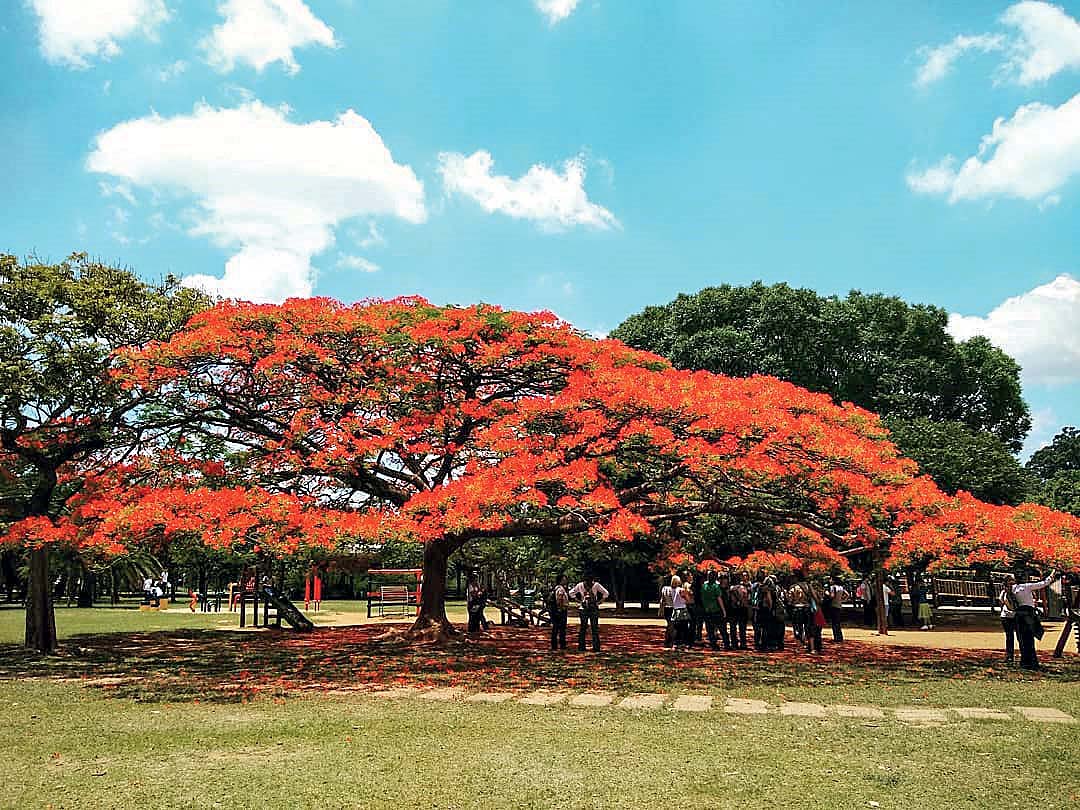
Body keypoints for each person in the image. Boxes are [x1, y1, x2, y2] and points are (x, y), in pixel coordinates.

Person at [1007, 570, 1059, 671]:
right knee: (1029, 639)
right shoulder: (1027, 586)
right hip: (1028, 614)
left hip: (1019, 615)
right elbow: (1044, 583)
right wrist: (1052, 573)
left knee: (1022, 639)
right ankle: (1032, 663)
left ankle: (1025, 662)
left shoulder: (1013, 588)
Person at [570, 575, 609, 652]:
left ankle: (592, 647)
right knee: (586, 628)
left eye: (590, 582)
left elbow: (606, 593)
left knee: (592, 628)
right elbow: (571, 593)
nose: (589, 584)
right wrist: (579, 601)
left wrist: (599, 602)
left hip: (590, 608)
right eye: (587, 582)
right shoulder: (581, 585)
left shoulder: (595, 585)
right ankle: (585, 647)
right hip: (586, 608)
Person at [699, 569, 728, 650]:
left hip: (707, 610)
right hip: (716, 610)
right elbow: (719, 599)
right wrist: (724, 610)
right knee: (722, 629)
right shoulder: (716, 586)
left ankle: (713, 645)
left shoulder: (704, 586)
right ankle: (726, 644)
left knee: (710, 629)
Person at [728, 572, 750, 650]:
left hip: (733, 610)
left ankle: (734, 644)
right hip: (742, 609)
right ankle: (743, 644)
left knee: (733, 628)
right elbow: (747, 599)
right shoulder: (743, 588)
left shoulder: (730, 588)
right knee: (742, 628)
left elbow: (730, 599)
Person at [786, 575, 810, 645]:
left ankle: (799, 641)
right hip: (806, 607)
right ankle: (806, 639)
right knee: (806, 625)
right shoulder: (808, 586)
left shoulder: (793, 587)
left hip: (796, 608)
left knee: (797, 625)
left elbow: (789, 600)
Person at [549, 574, 570, 651]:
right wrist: (560, 608)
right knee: (560, 628)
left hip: (557, 610)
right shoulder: (560, 589)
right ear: (560, 580)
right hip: (560, 611)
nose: (566, 580)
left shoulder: (557, 588)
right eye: (564, 579)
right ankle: (561, 645)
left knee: (556, 628)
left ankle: (555, 645)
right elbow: (559, 599)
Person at [825, 576, 847, 642]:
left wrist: (827, 593)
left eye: (831, 579)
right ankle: (840, 637)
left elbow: (832, 596)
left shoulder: (833, 587)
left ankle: (836, 638)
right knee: (838, 622)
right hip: (839, 605)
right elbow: (847, 594)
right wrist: (841, 599)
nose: (830, 580)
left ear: (834, 580)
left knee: (834, 623)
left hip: (833, 606)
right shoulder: (841, 587)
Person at [659, 576, 677, 648]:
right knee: (671, 626)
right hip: (671, 609)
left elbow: (662, 600)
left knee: (670, 626)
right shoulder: (672, 589)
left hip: (668, 609)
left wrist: (661, 609)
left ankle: (668, 641)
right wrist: (661, 609)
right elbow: (662, 600)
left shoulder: (665, 588)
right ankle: (669, 641)